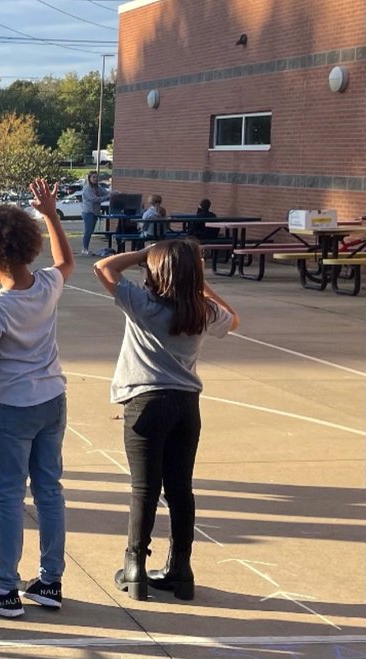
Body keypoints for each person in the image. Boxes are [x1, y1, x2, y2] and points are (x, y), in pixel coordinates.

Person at [93, 240, 238, 601]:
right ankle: (181, 567)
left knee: (145, 489)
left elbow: (104, 268)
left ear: (157, 273)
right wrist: (198, 280)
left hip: (146, 403)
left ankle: (135, 565)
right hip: (186, 406)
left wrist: (146, 254)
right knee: (180, 489)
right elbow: (233, 318)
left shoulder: (144, 305)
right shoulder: (200, 311)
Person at [0, 180, 72, 618]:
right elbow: (65, 260)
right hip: (52, 400)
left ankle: (6, 588)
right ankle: (50, 580)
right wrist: (50, 213)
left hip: (12, 407)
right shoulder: (47, 284)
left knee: (8, 495)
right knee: (49, 490)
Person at [80, 172, 110, 256]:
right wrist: (108, 197)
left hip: (95, 212)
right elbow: (95, 199)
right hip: (88, 212)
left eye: (96, 177)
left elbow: (105, 193)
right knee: (88, 231)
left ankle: (86, 248)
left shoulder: (98, 188)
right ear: (89, 178)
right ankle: (85, 249)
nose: (95, 179)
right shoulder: (87, 189)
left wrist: (113, 193)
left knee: (91, 231)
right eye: (93, 177)